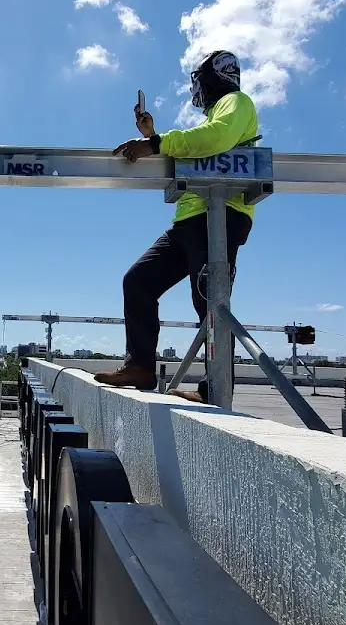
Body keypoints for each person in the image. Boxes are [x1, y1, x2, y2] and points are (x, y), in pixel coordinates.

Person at [94, 50, 258, 404]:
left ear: (214, 78)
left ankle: (215, 390)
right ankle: (140, 366)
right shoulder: (218, 113)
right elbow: (200, 149)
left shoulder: (236, 102)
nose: (197, 91)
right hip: (190, 220)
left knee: (211, 304)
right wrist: (153, 136)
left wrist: (155, 143)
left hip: (219, 215)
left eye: (200, 82)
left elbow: (214, 139)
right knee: (138, 281)